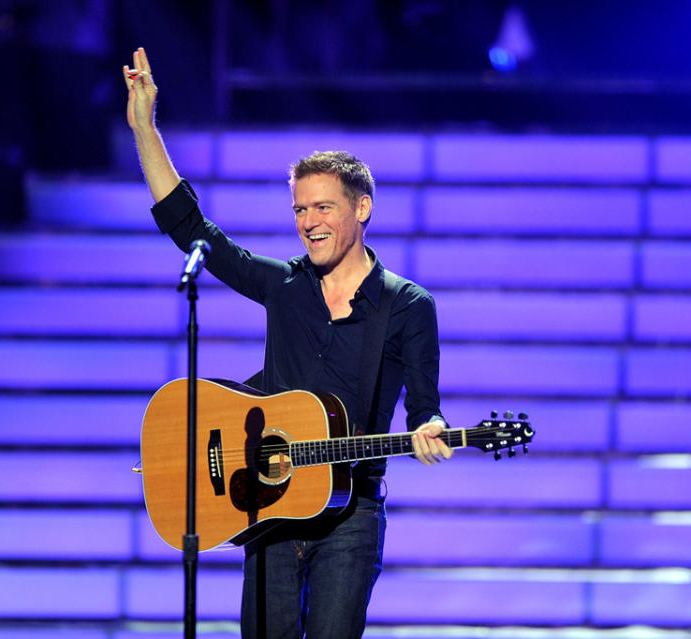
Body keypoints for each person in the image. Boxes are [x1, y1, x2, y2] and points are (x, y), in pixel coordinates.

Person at [123, 46, 452, 638]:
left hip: (351, 514)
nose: (308, 221)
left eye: (323, 206)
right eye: (300, 209)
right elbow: (192, 229)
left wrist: (430, 430)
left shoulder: (408, 307)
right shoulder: (285, 286)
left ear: (363, 208)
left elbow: (424, 408)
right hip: (268, 507)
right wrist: (145, 128)